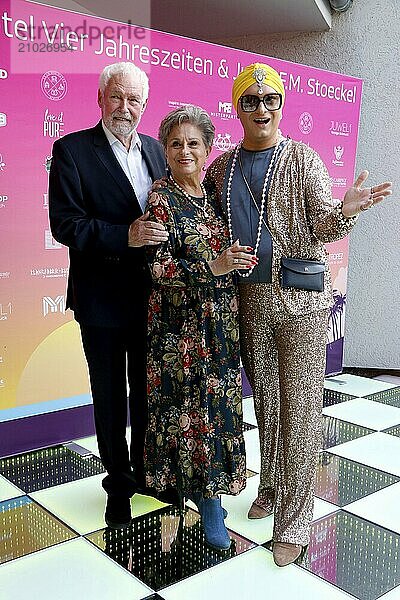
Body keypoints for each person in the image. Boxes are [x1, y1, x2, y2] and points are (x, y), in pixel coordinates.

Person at [204, 63, 393, 566]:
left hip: (301, 305)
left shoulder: (301, 156)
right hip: (250, 304)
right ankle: (270, 486)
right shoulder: (222, 169)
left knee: (301, 412)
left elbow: (325, 224)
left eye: (271, 100)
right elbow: (213, 231)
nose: (262, 109)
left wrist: (347, 208)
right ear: (237, 108)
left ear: (281, 106)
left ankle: (294, 517)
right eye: (251, 100)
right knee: (266, 406)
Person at [49, 62, 168, 529]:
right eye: (117, 97)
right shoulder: (73, 150)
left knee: (146, 393)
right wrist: (126, 236)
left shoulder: (159, 151)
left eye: (134, 99)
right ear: (101, 99)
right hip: (99, 299)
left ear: (145, 104)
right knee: (109, 397)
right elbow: (66, 223)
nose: (125, 107)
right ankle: (117, 484)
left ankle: (145, 471)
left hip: (154, 298)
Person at [144, 105, 252, 550]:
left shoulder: (213, 197)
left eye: (193, 143)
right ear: (164, 151)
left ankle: (206, 493)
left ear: (207, 149)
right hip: (181, 333)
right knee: (194, 421)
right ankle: (208, 510)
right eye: (175, 143)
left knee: (218, 414)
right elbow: (159, 268)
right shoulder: (160, 197)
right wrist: (216, 265)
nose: (184, 150)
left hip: (220, 329)